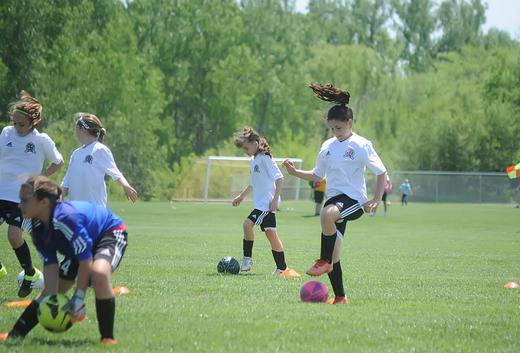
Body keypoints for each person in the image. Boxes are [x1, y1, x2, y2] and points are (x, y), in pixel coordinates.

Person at [283, 83, 387, 304]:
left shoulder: (361, 144)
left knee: (327, 214)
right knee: (335, 253)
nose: (336, 132)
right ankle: (340, 297)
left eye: (339, 127)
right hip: (335, 200)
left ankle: (323, 260)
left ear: (349, 123)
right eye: (332, 128)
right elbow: (317, 175)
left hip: (354, 201)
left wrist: (376, 199)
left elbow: (381, 172)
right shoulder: (327, 146)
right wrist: (294, 172)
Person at [0, 176, 128, 345]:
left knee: (99, 273)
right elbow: (50, 264)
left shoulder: (65, 219)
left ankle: (108, 339)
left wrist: (79, 298)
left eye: (25, 201)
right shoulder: (37, 228)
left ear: (44, 202)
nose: (19, 205)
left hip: (109, 233)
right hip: (82, 244)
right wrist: (52, 299)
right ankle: (15, 335)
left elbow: (85, 259)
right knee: (51, 291)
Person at [0, 91, 64, 297]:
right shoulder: (6, 133)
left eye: (21, 124)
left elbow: (58, 161)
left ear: (32, 122)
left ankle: (30, 274)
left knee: (13, 235)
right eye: (14, 123)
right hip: (1, 190)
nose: (17, 128)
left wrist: (40, 178)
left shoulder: (41, 140)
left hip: (20, 197)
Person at [232, 127, 300, 278]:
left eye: (247, 148)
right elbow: (252, 183)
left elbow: (280, 178)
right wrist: (241, 197)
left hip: (266, 204)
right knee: (271, 235)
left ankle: (247, 260)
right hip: (262, 204)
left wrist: (275, 199)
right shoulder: (254, 160)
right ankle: (282, 268)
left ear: (255, 143)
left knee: (247, 224)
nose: (246, 151)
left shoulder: (264, 157)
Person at [61, 112, 138, 207]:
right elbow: (67, 181)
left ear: (83, 129)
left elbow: (115, 173)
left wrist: (126, 186)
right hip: (76, 211)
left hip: (95, 210)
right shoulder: (76, 154)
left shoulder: (100, 149)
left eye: (76, 129)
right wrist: (57, 198)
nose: (76, 133)